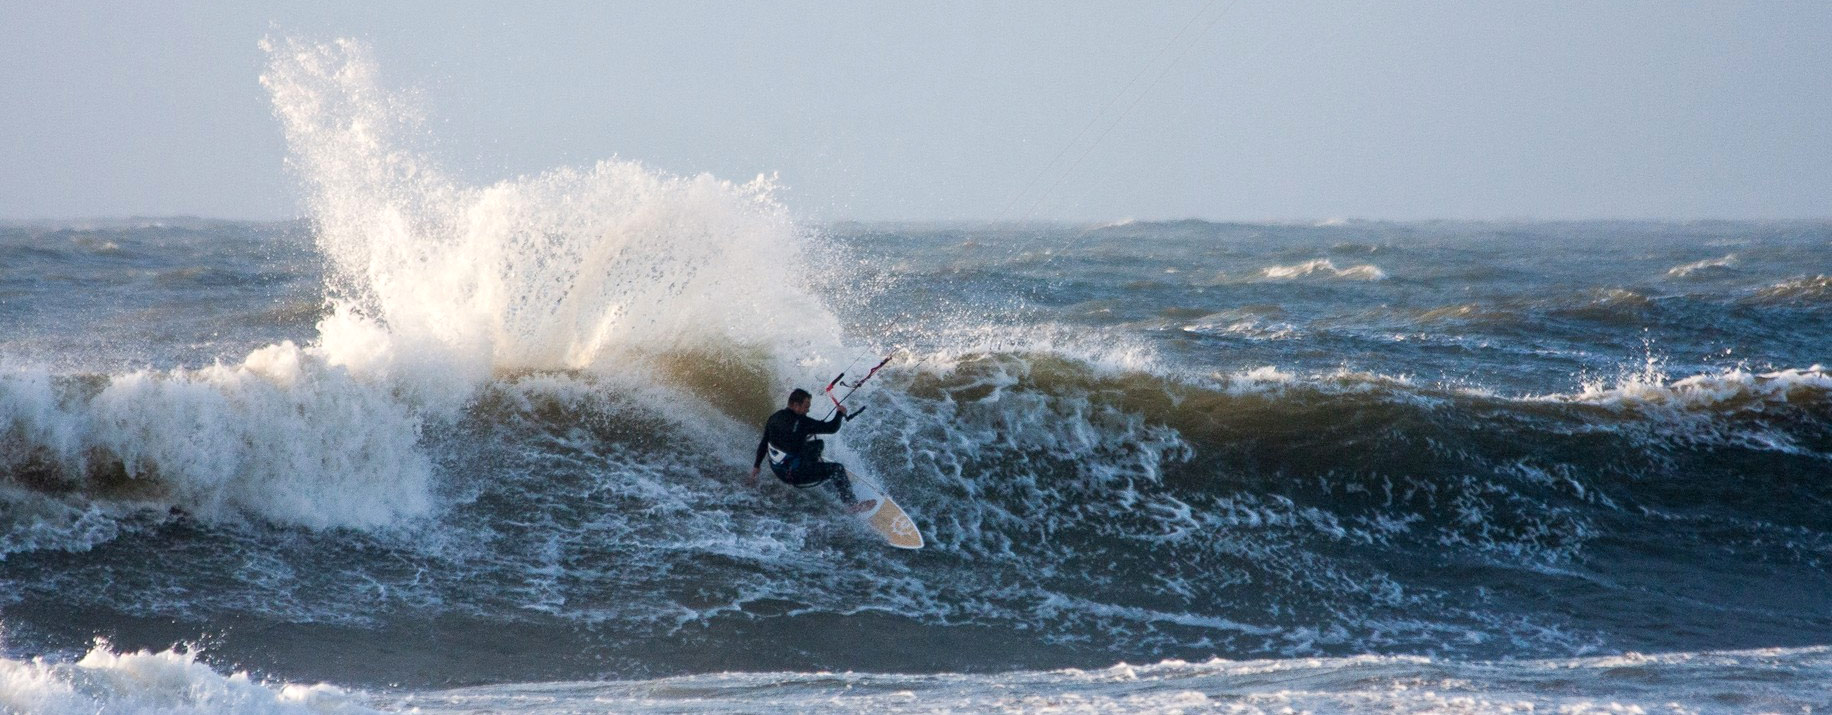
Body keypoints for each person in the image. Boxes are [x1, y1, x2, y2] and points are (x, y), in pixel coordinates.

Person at [750, 388, 877, 514]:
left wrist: (756, 466)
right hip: (794, 475)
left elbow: (764, 443)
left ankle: (816, 470)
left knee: (818, 444)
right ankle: (852, 505)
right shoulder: (803, 422)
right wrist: (840, 414)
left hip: (777, 468)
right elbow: (831, 428)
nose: (808, 410)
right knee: (837, 469)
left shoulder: (775, 417)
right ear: (795, 405)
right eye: (806, 407)